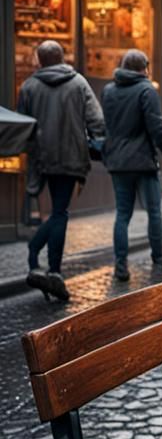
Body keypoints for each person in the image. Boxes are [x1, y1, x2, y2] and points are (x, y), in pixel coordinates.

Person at [20, 40, 104, 303]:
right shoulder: (78, 82)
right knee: (60, 212)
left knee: (56, 213)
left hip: (41, 157)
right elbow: (96, 120)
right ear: (62, 57)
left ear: (40, 60)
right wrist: (96, 142)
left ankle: (36, 256)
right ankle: (52, 268)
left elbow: (24, 126)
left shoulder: (29, 86)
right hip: (70, 156)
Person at [101, 50, 162, 282]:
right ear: (143, 67)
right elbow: (158, 131)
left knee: (122, 214)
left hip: (117, 162)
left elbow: (106, 126)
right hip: (143, 162)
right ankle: (159, 260)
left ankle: (120, 265)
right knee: (154, 212)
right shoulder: (146, 90)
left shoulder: (108, 91)